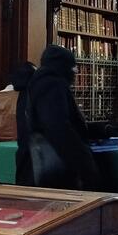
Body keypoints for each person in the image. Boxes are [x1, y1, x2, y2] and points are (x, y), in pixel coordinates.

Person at [18, 45, 102, 190]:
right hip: (52, 170)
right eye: (73, 68)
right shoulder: (52, 85)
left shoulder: (35, 84)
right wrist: (85, 166)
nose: (75, 73)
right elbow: (58, 127)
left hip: (33, 167)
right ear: (63, 67)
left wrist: (102, 128)